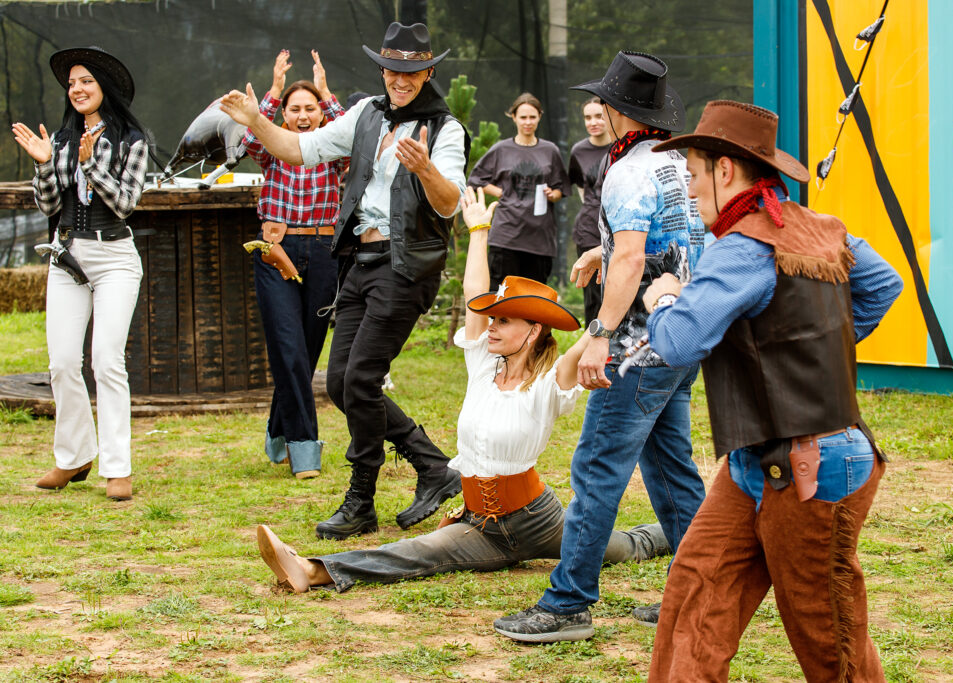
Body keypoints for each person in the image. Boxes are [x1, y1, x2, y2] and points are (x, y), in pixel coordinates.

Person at [254, 187, 670, 594]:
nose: (491, 326)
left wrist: (626, 257)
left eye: (503, 321)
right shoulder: (482, 364)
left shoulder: (552, 379)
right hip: (480, 525)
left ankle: (689, 529)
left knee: (627, 546)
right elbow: (475, 293)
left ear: (534, 329)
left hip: (538, 519)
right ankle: (310, 570)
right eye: (493, 320)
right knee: (416, 552)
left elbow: (602, 322)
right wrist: (478, 231)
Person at [641, 100, 903, 681]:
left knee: (830, 643)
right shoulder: (821, 228)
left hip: (815, 466)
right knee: (694, 599)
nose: (689, 187)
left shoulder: (739, 247)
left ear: (725, 171)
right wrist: (805, 345)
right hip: (755, 460)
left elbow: (679, 342)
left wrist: (662, 297)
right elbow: (884, 285)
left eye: (692, 173)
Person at [221, 22, 468, 538]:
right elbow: (297, 149)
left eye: (412, 71)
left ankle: (361, 499)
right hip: (359, 261)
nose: (401, 80)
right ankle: (434, 466)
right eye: (393, 70)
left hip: (406, 265)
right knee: (339, 382)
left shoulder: (444, 130)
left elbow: (449, 205)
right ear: (383, 69)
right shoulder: (366, 114)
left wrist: (425, 170)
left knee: (359, 380)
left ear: (428, 71)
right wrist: (254, 121)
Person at [494, 51, 706, 643]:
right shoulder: (679, 163)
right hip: (680, 338)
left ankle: (567, 603)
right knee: (671, 470)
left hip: (636, 347)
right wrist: (602, 253)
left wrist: (601, 335)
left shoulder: (629, 172)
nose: (600, 112)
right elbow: (672, 244)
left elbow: (637, 255)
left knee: (596, 469)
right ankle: (702, 596)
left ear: (619, 113)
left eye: (604, 104)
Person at [12, 47, 150, 501]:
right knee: (62, 363)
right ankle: (73, 457)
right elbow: (49, 206)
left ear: (103, 87)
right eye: (71, 83)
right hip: (67, 257)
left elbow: (126, 204)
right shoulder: (60, 138)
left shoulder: (132, 139)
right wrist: (43, 163)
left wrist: (92, 164)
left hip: (114, 258)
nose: (77, 89)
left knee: (107, 360)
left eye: (85, 81)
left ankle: (117, 467)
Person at [241, 49, 343, 479]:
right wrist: (274, 91)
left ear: (320, 113)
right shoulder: (272, 149)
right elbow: (250, 137)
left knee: (306, 348)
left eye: (311, 109)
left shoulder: (335, 151)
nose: (303, 116)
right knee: (287, 344)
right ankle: (304, 449)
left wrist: (326, 92)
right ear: (284, 115)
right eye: (294, 110)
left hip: (323, 254)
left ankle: (277, 430)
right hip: (276, 254)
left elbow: (353, 133)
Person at [468, 93, 569, 288]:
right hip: (506, 236)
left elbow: (560, 188)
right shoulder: (501, 149)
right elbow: (476, 179)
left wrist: (552, 194)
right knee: (501, 299)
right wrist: (499, 192)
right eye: (523, 117)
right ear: (513, 117)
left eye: (532, 117)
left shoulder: (551, 151)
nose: (528, 122)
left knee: (533, 303)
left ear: (540, 116)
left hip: (540, 239)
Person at [568, 97, 611, 324]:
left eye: (599, 116)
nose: (593, 122)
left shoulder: (620, 147)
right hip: (588, 231)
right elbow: (582, 188)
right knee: (593, 298)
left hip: (619, 231)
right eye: (588, 117)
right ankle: (592, 352)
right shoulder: (578, 150)